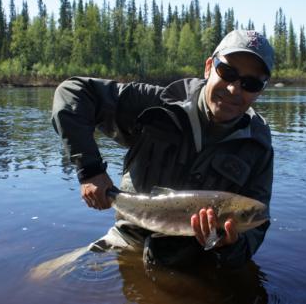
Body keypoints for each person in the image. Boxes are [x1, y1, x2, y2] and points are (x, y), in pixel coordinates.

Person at [51, 30, 274, 269]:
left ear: (260, 90)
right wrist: (90, 169)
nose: (234, 89)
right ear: (209, 67)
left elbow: (255, 231)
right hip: (128, 240)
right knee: (43, 279)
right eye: (227, 72)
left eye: (250, 84)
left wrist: (227, 246)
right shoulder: (157, 106)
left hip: (201, 261)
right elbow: (71, 93)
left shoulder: (258, 147)